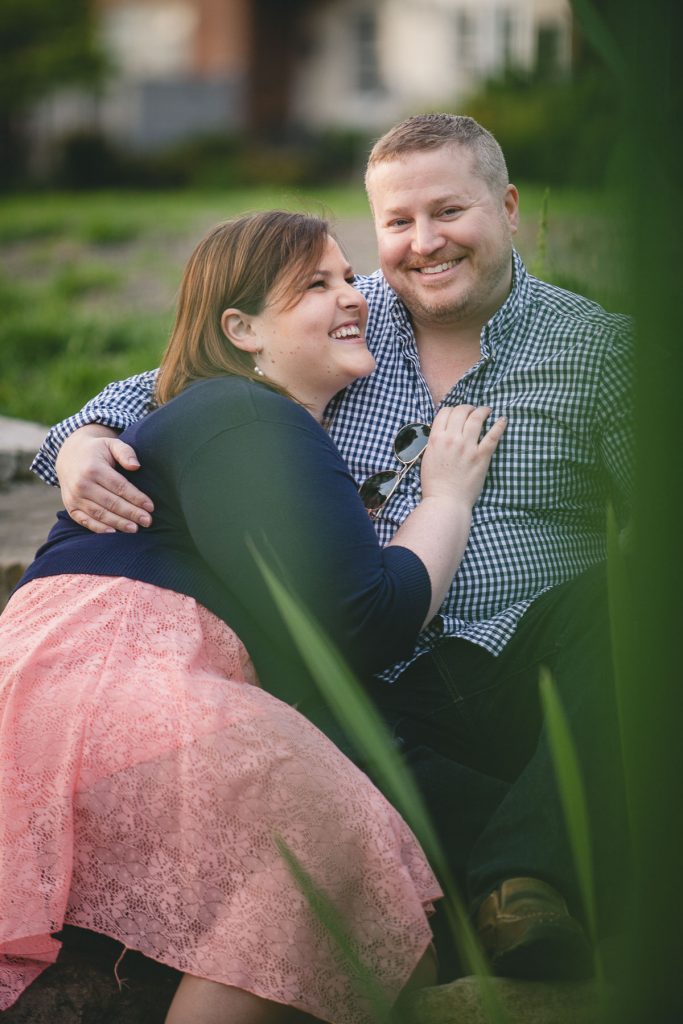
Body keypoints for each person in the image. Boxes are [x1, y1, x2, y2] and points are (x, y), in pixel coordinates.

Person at [31, 114, 633, 982]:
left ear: (505, 207)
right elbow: (169, 389)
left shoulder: (599, 353)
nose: (422, 244)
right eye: (396, 222)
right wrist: (82, 441)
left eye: (448, 212)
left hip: (523, 675)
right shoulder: (344, 324)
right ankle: (513, 888)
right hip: (362, 687)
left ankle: (516, 877)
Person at [0, 211, 507, 1023]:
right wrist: (446, 498)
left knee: (316, 897)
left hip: (62, 693)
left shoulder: (216, 423)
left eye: (348, 276)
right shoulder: (247, 412)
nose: (352, 297)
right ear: (241, 329)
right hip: (123, 676)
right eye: (316, 284)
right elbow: (369, 620)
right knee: (341, 844)